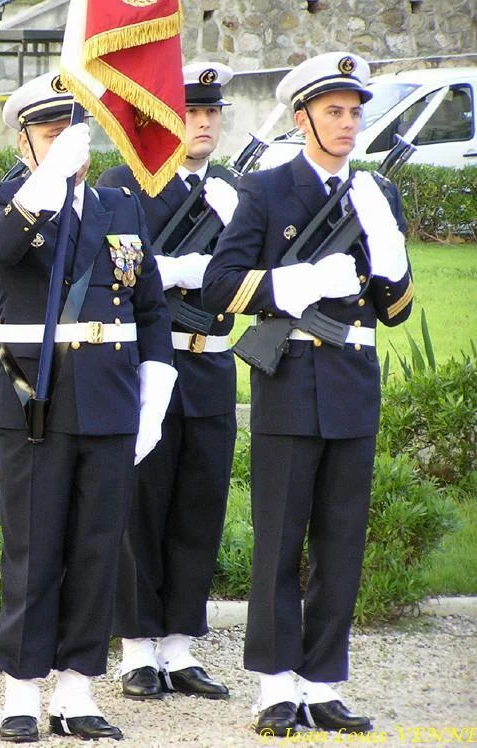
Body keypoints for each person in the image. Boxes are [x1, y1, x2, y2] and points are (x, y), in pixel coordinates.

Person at [202, 52, 414, 737]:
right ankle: (273, 687)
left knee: (341, 542)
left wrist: (387, 245)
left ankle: (322, 683)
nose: (348, 124)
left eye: (355, 112)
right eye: (334, 112)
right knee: (280, 543)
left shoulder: (378, 191)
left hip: (353, 383)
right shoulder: (266, 191)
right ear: (302, 118)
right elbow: (220, 286)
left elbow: (398, 309)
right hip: (290, 382)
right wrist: (292, 286)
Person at [0, 71, 176, 743]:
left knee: (95, 549)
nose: (68, 144)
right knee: (34, 550)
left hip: (111, 402)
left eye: (75, 133)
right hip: (38, 399)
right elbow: (0, 253)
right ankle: (22, 691)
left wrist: (155, 392)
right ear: (24, 141)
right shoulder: (0, 200)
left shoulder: (120, 206)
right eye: (52, 133)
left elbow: (149, 308)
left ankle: (78, 690)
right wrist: (46, 185)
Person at [96, 62, 238, 702]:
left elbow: (256, 279)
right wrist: (174, 269)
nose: (202, 123)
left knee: (198, 506)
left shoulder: (235, 193)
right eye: (190, 112)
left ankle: (180, 645)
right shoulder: (124, 186)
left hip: (210, 362)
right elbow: (123, 278)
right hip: (150, 366)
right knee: (140, 507)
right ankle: (136, 650)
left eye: (211, 113)